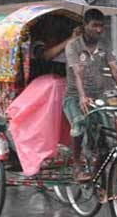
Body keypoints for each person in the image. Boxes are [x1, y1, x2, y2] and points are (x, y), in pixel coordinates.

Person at [62, 9, 117, 182]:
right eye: (94, 25)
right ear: (85, 26)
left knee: (106, 140)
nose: (99, 30)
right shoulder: (73, 46)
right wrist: (82, 96)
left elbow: (115, 69)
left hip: (98, 97)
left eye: (101, 26)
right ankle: (77, 166)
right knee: (78, 125)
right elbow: (77, 72)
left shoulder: (104, 44)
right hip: (74, 97)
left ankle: (96, 177)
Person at [6, 18, 80, 176]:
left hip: (63, 87)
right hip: (41, 88)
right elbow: (46, 56)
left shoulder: (70, 46)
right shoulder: (36, 44)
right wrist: (69, 41)